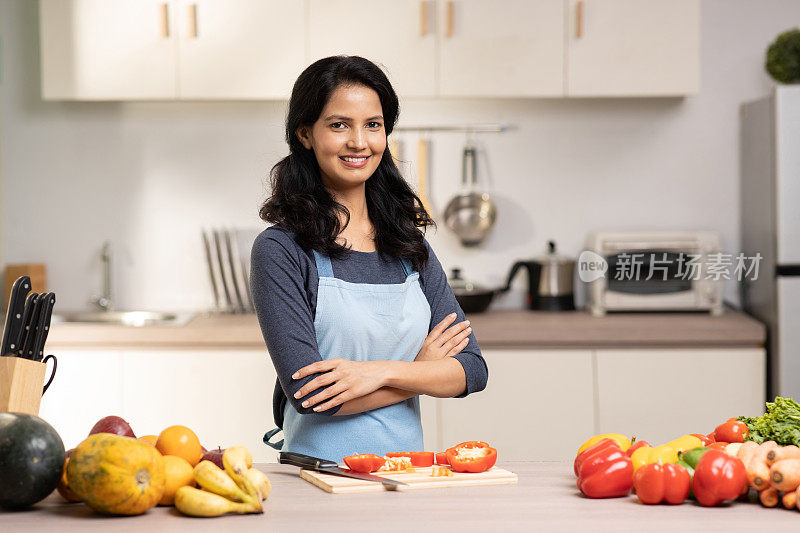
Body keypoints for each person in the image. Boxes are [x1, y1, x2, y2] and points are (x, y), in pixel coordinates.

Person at [251, 55, 488, 462]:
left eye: (373, 125)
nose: (359, 142)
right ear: (305, 133)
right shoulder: (282, 250)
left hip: (408, 473)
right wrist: (422, 371)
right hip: (321, 477)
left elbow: (472, 370)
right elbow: (311, 397)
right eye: (339, 124)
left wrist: (378, 372)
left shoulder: (408, 246)